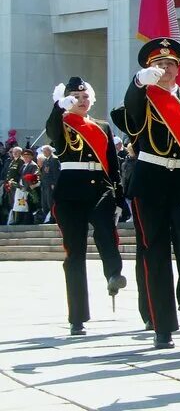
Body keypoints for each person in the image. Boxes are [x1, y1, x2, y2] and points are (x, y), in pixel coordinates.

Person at [123, 39, 180, 349]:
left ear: (179, 69)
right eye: (159, 64)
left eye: (171, 64)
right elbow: (130, 112)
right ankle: (162, 325)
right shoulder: (143, 97)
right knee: (156, 252)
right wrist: (139, 82)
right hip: (150, 178)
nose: (165, 69)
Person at [43, 77, 126, 334]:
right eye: (75, 97)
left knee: (105, 229)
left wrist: (120, 196)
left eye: (85, 96)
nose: (81, 101)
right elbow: (51, 129)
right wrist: (59, 108)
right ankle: (77, 316)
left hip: (100, 186)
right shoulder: (63, 122)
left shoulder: (101, 126)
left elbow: (112, 164)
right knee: (75, 252)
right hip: (70, 191)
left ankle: (113, 273)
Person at [38, 145, 59, 223]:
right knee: (45, 203)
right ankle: (49, 217)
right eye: (43, 151)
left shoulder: (54, 160)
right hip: (45, 185)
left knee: (51, 202)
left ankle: (53, 218)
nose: (44, 153)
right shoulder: (46, 160)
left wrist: (54, 183)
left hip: (51, 185)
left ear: (49, 151)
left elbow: (56, 173)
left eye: (45, 151)